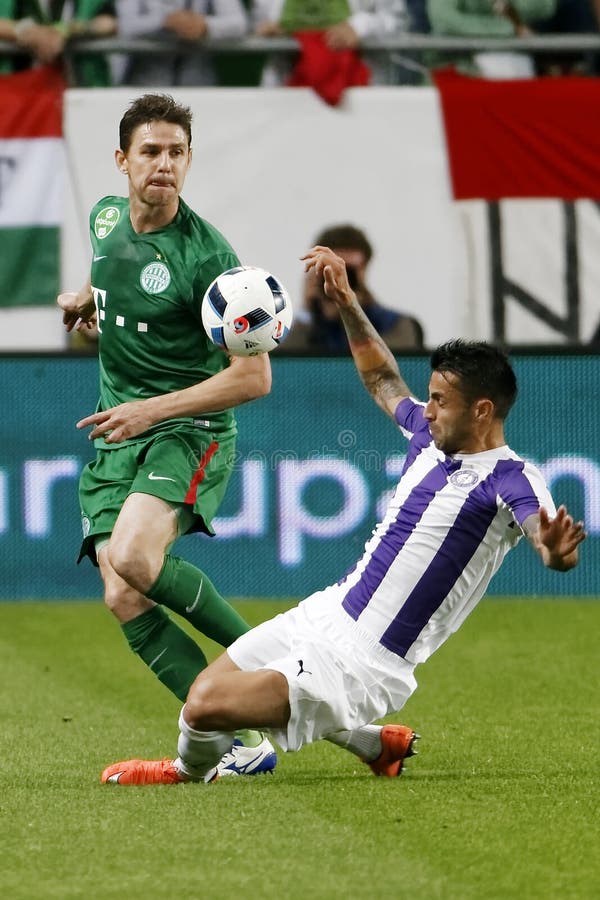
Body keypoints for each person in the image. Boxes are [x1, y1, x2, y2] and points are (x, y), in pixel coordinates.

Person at [100, 245, 585, 786]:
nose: (425, 408)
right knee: (201, 698)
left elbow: (540, 532)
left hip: (367, 663)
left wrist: (555, 550)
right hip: (327, 612)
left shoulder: (511, 478)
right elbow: (382, 378)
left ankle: (188, 773)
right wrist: (348, 301)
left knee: (206, 705)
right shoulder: (428, 436)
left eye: (439, 400)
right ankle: (369, 745)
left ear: (482, 411)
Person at [58, 93, 277, 777]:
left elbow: (253, 379)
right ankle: (243, 739)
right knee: (122, 592)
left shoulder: (211, 258)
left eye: (176, 152)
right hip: (118, 431)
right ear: (123, 160)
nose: (164, 164)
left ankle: (280, 677)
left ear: (189, 161)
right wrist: (83, 302)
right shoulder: (102, 216)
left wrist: (151, 412)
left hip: (189, 427)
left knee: (133, 558)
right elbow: (107, 279)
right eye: (150, 151)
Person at [279, 224, 424, 353]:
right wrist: (308, 310)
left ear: (365, 269)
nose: (342, 277)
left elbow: (386, 364)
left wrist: (350, 310)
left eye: (349, 271)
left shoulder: (395, 324)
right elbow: (283, 366)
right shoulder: (307, 326)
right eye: (331, 269)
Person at [251, 0, 409, 96]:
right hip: (288, 87)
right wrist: (270, 28)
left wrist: (360, 26)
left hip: (357, 87)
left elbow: (396, 20)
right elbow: (258, 19)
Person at [112, 0, 247, 86]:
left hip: (198, 86)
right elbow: (124, 24)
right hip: (146, 86)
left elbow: (239, 23)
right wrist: (165, 22)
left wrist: (205, 26)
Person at [0, 0, 117, 84]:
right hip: (17, 84)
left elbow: (108, 22)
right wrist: (22, 30)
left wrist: (73, 30)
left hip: (81, 82)